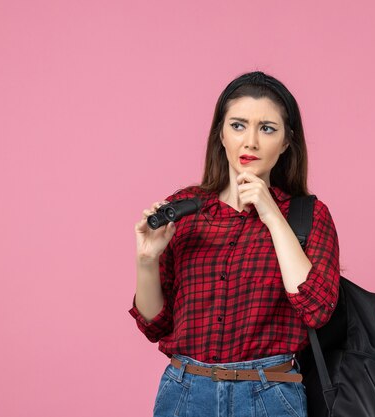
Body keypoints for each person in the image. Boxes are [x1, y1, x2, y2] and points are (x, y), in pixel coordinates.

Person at [129, 71, 340, 417]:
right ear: (221, 135)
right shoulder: (184, 209)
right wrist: (147, 260)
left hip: (269, 395)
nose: (251, 142)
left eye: (267, 128)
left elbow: (316, 307)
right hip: (185, 393)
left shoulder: (308, 216)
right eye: (239, 126)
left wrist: (271, 214)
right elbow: (155, 325)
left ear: (287, 142)